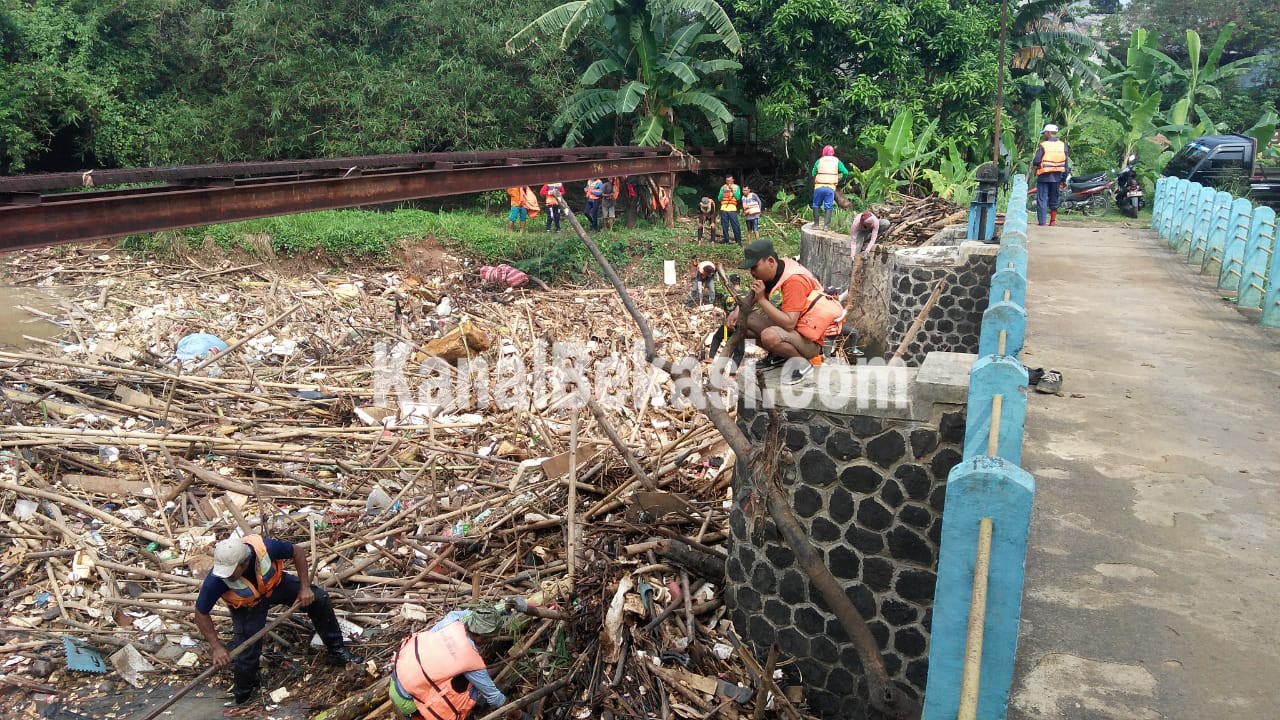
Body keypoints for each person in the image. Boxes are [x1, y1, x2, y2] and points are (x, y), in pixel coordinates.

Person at [194, 535, 360, 706]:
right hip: (248, 604)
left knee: (319, 599)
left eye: (230, 572)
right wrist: (216, 647)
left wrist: (304, 587)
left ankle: (337, 652)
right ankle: (243, 696)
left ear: (244, 563)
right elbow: (200, 612)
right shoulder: (216, 579)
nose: (226, 576)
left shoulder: (265, 548)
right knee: (248, 647)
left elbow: (297, 552)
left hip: (275, 585)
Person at [731, 239, 845, 385]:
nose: (752, 272)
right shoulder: (777, 269)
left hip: (809, 342)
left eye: (754, 267)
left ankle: (802, 364)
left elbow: (790, 323)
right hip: (793, 333)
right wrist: (735, 314)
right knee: (743, 322)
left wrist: (763, 300)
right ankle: (779, 356)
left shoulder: (794, 281)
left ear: (770, 261)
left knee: (769, 336)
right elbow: (752, 296)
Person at [387, 606, 520, 720]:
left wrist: (506, 607)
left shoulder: (452, 619)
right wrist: (519, 715)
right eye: (490, 638)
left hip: (396, 678)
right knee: (471, 688)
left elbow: (474, 613)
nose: (491, 641)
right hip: (408, 701)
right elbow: (494, 697)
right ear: (482, 637)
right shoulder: (470, 660)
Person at [1031, 123, 1069, 226]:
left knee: (1042, 199)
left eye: (1044, 133)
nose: (1044, 135)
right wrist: (1063, 179)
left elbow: (1037, 160)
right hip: (1057, 177)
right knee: (1054, 198)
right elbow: (1066, 165)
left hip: (1044, 177)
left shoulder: (1044, 145)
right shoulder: (1063, 145)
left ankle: (1042, 222)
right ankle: (1052, 221)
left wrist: (1034, 166)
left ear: (1048, 133)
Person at [811, 145, 849, 230]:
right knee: (828, 206)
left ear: (823, 152)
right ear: (833, 153)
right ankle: (826, 226)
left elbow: (813, 172)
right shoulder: (837, 161)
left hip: (819, 187)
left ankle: (816, 225)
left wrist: (817, 177)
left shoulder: (819, 161)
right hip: (830, 188)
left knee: (816, 204)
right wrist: (842, 179)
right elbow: (845, 172)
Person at [718, 174, 742, 245]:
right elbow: (719, 198)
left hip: (732, 208)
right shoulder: (723, 187)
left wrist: (732, 189)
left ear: (733, 180)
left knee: (735, 225)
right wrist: (723, 191)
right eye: (727, 181)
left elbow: (738, 198)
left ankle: (738, 241)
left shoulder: (736, 187)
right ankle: (726, 240)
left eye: (730, 180)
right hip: (724, 208)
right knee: (724, 225)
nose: (729, 182)